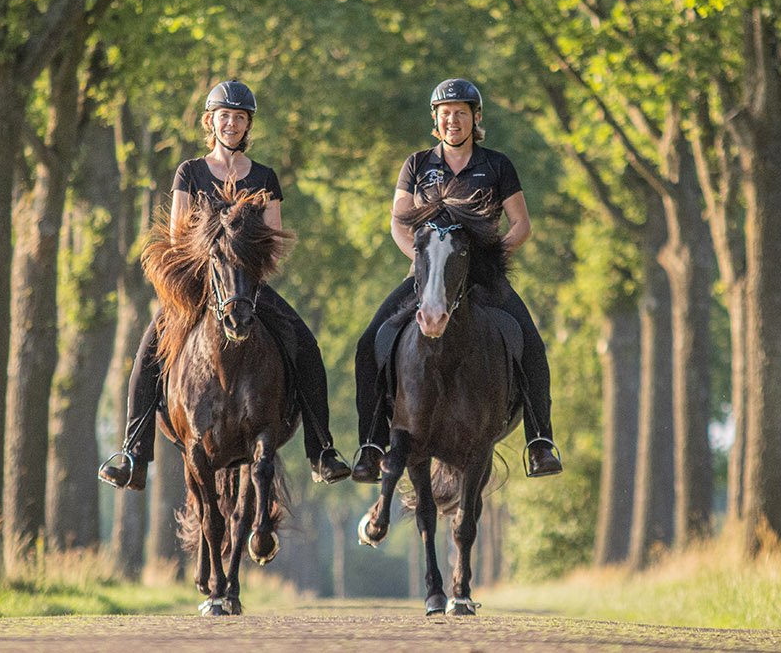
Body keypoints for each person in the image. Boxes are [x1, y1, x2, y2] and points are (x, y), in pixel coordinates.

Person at [100, 79, 351, 490]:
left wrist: (245, 269)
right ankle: (133, 453)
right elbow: (179, 238)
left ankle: (321, 450)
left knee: (306, 346)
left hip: (248, 288)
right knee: (147, 353)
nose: (231, 124)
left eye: (239, 117)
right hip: (200, 289)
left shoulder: (265, 177)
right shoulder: (190, 172)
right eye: (224, 116)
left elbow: (272, 244)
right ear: (210, 121)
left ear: (248, 124)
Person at [351, 78, 563, 482]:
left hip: (481, 278)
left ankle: (539, 442)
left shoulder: (497, 165)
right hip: (426, 278)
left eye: (461, 113)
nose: (453, 120)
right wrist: (426, 263)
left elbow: (521, 225)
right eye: (445, 114)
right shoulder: (416, 165)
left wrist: (486, 260)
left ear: (475, 117)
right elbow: (399, 224)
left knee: (532, 344)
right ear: (435, 120)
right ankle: (371, 444)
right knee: (369, 343)